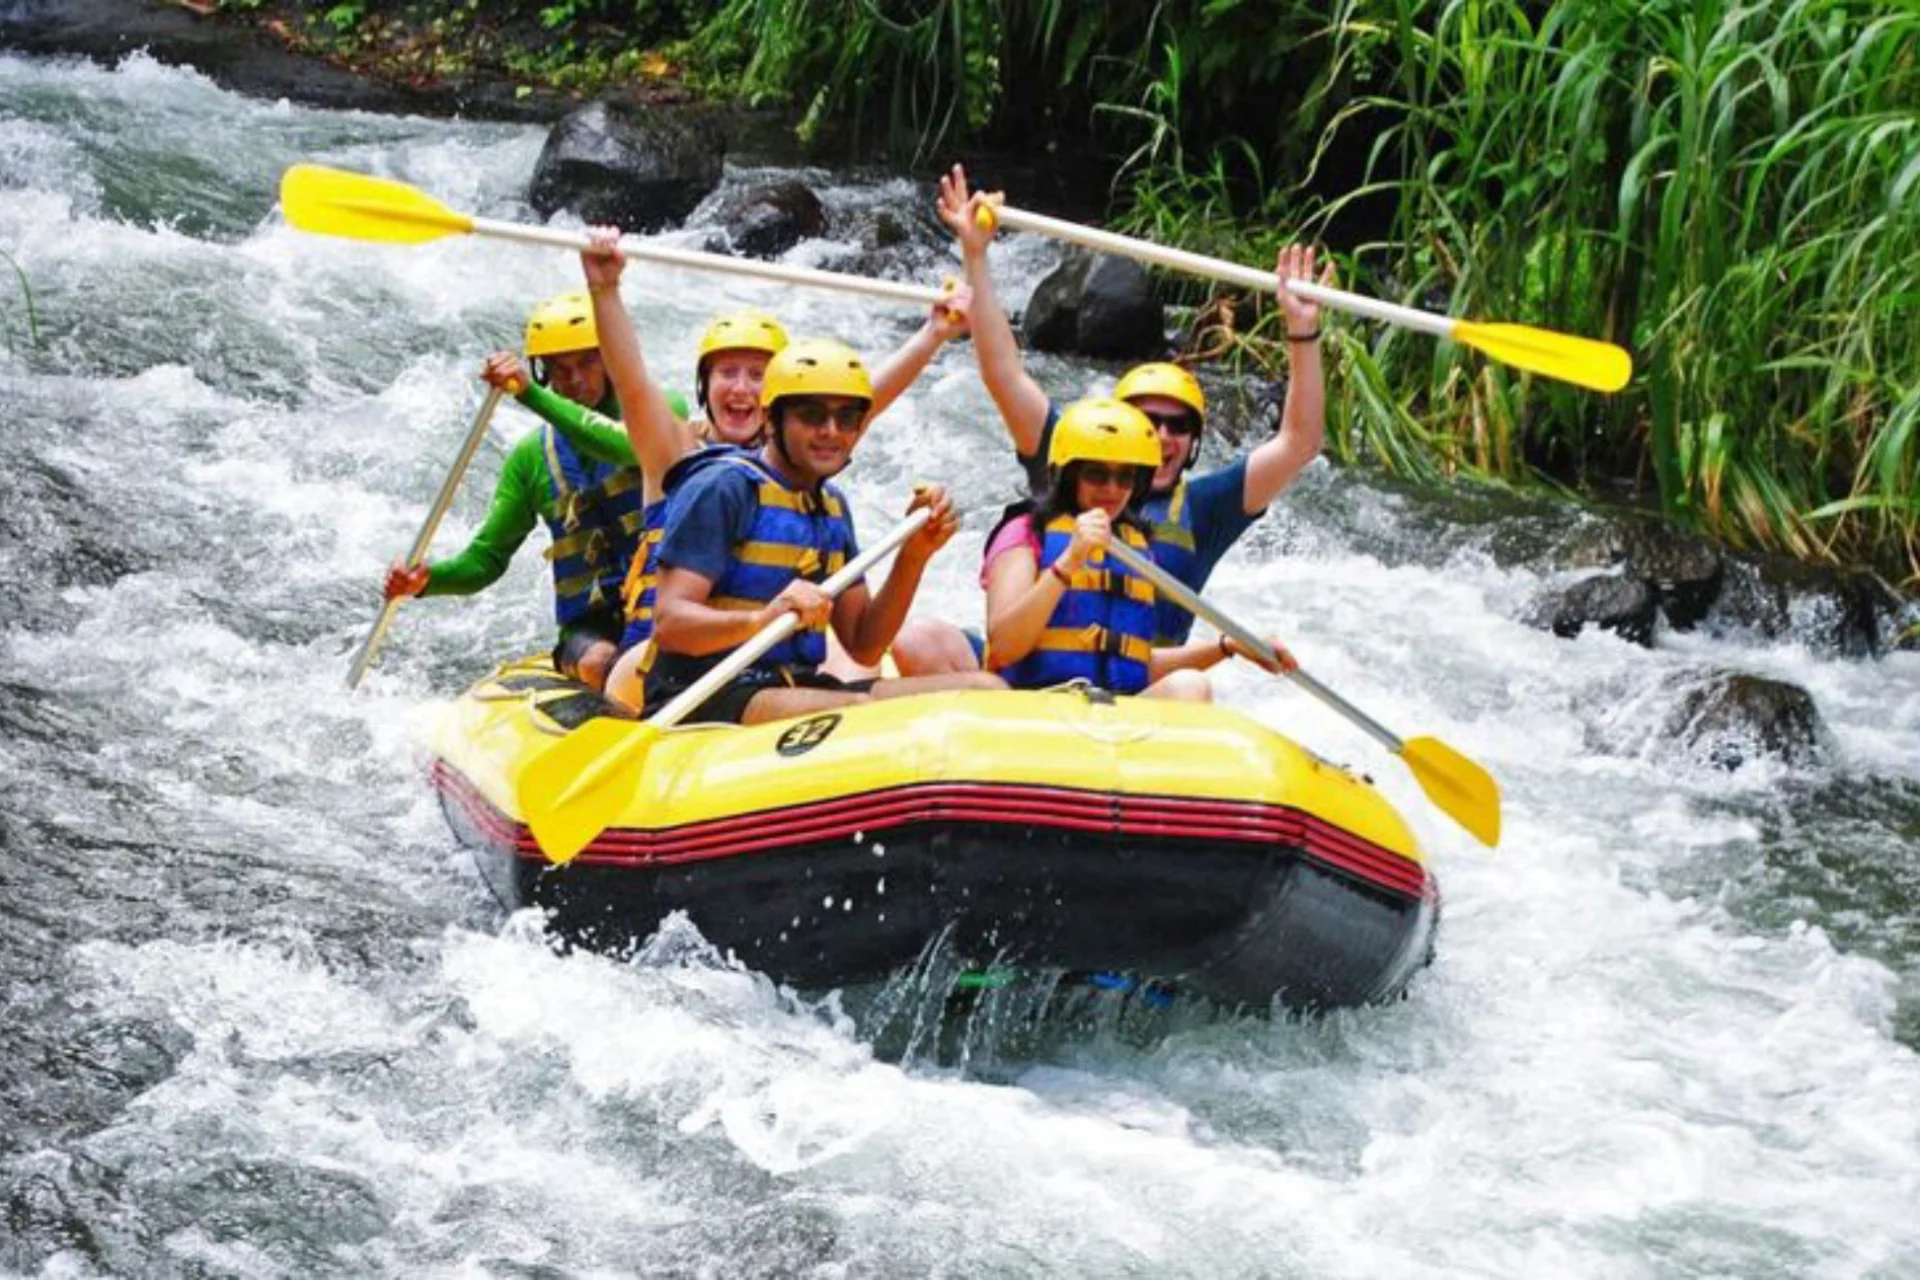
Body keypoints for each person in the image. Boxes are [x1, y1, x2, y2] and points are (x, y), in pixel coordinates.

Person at [550, 226, 977, 711]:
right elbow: (631, 382)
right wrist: (605, 290)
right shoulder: (681, 453)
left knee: (851, 662)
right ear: (704, 385)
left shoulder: (813, 478)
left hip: (773, 666)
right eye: (727, 373)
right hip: (667, 662)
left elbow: (856, 400)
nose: (742, 388)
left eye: (757, 375)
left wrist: (934, 334)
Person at [937, 163, 1334, 646]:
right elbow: (1004, 374)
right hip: (1038, 677)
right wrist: (975, 256)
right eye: (1150, 423)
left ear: (1192, 443)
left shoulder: (1208, 507)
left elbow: (1300, 440)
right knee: (928, 644)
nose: (1163, 437)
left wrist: (1303, 330)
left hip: (1144, 686)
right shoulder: (1072, 457)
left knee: (1193, 689)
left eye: (1178, 426)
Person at [644, 338, 1006, 725]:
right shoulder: (723, 488)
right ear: (772, 419)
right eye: (812, 415)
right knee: (858, 718)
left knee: (986, 691)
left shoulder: (831, 507)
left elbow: (864, 644)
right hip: (700, 694)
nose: (831, 431)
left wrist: (913, 554)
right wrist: (760, 621)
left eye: (847, 418)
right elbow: (670, 624)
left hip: (792, 686)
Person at [381, 291, 645, 690]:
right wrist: (426, 582)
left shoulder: (658, 414)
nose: (574, 379)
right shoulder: (530, 458)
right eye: (560, 368)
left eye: (588, 362)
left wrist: (528, 394)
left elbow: (620, 446)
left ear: (610, 359)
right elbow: (486, 559)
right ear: (545, 372)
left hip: (664, 608)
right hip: (590, 632)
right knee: (600, 662)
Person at [983, 398, 1290, 700]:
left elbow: (1137, 665)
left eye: (1125, 477)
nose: (1112, 489)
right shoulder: (1025, 532)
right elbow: (1004, 648)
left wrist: (1226, 646)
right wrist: (1070, 561)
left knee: (1190, 686)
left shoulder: (1134, 546)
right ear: (1067, 475)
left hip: (1112, 716)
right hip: (1034, 710)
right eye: (1096, 474)